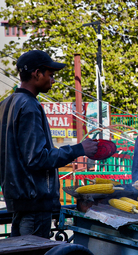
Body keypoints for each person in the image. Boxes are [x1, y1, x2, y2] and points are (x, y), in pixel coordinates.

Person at [0, 50, 98, 238]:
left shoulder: (6, 104)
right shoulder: (29, 106)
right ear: (37, 73)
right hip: (34, 203)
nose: (53, 80)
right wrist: (79, 149)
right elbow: (37, 158)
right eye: (50, 75)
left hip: (17, 201)